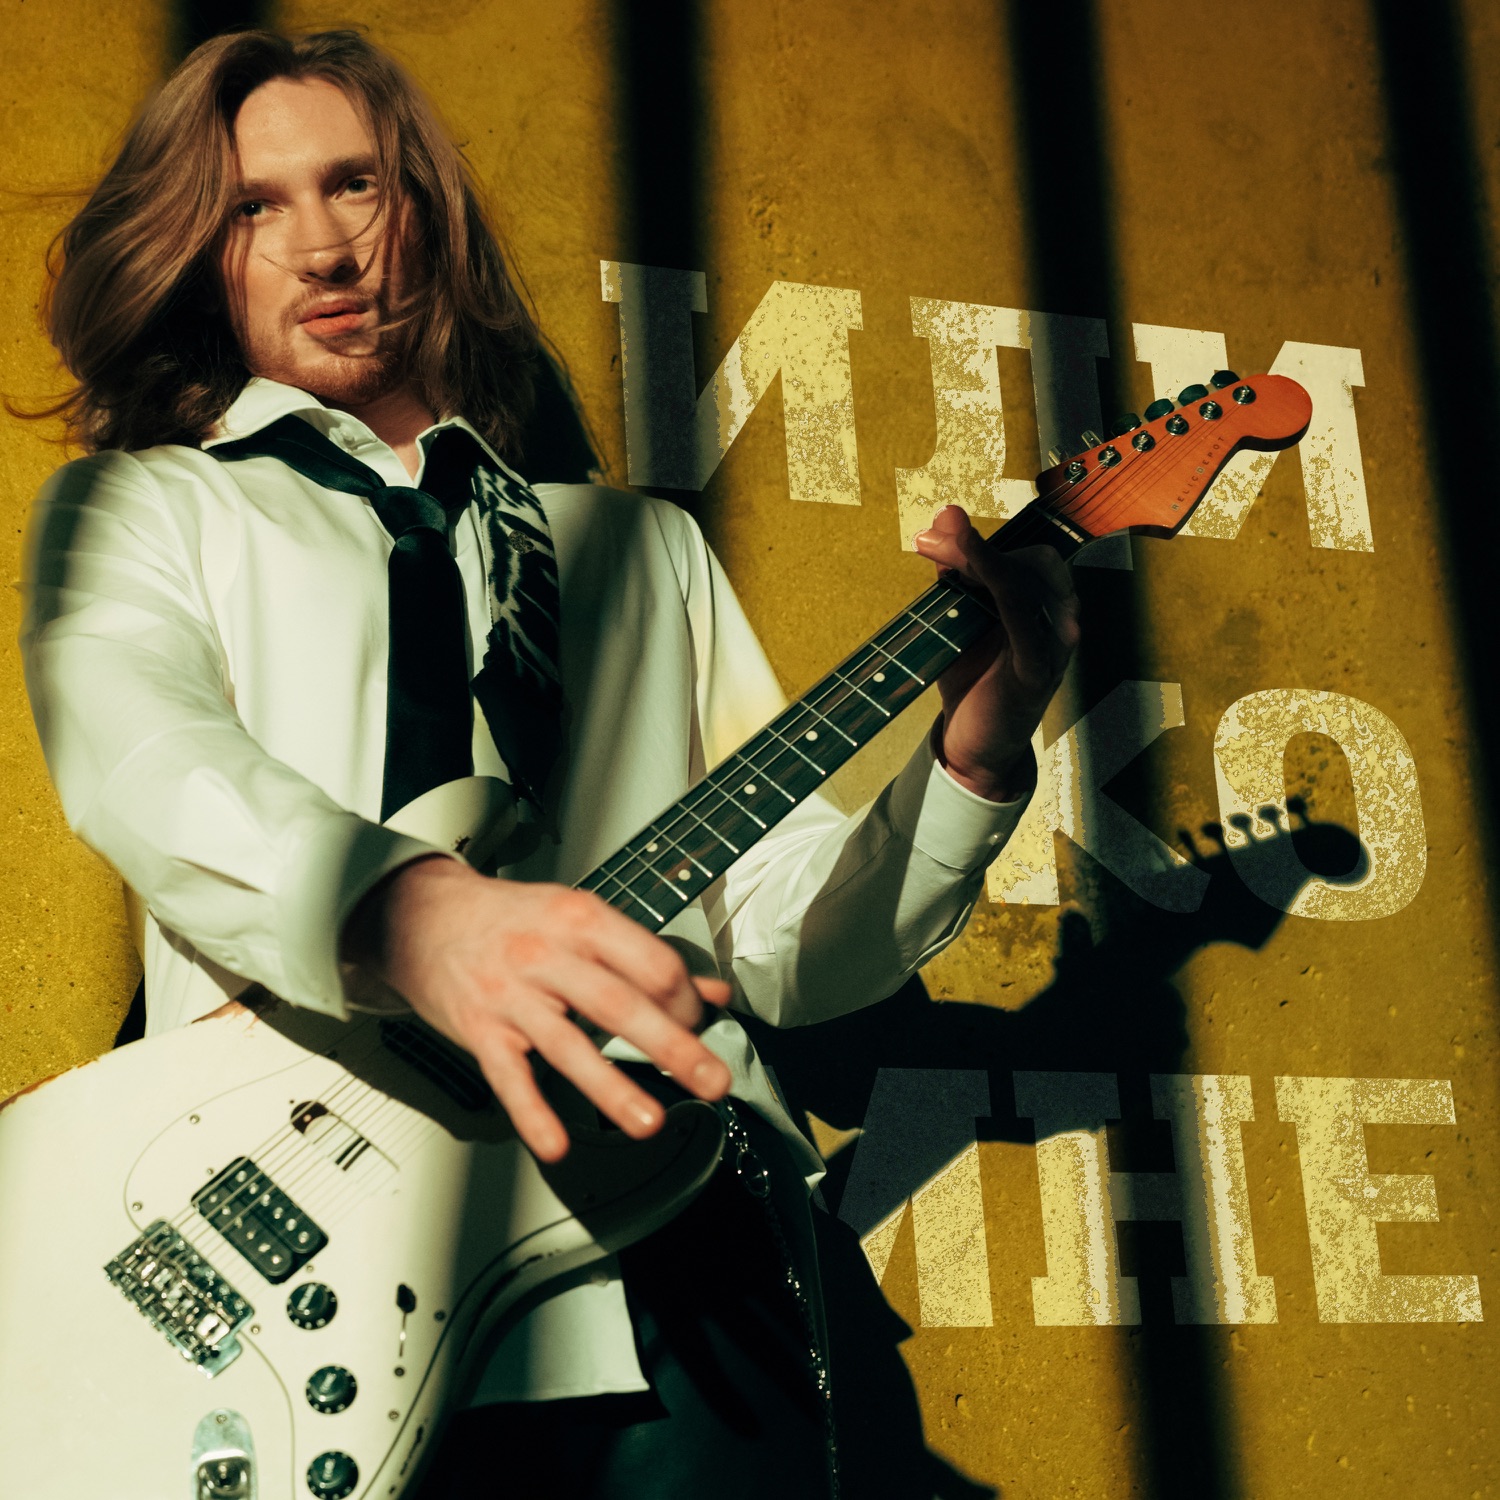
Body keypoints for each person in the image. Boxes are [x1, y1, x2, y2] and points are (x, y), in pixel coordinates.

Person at [18, 28, 1077, 1499]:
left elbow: (783, 953)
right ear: (203, 252)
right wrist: (416, 916)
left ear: (425, 212)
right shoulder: (143, 513)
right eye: (256, 205)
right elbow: (147, 757)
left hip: (677, 1258)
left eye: (356, 185)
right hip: (307, 1275)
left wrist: (979, 741)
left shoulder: (643, 550)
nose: (322, 246)